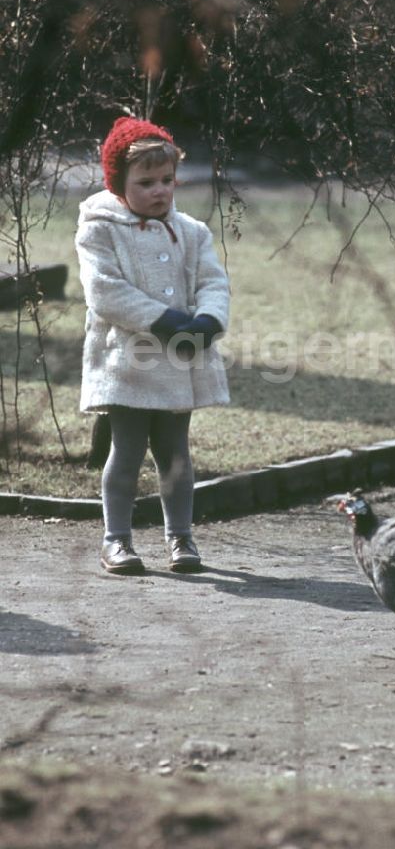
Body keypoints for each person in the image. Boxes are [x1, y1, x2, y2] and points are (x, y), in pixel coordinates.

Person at [75, 116, 230, 575]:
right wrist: (163, 320)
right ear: (118, 183)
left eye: (167, 180)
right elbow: (104, 290)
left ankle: (180, 537)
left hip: (180, 362)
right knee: (126, 450)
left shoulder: (192, 232)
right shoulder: (99, 229)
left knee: (175, 453)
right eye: (145, 182)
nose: (160, 191)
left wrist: (208, 320)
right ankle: (116, 539)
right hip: (126, 363)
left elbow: (213, 282)